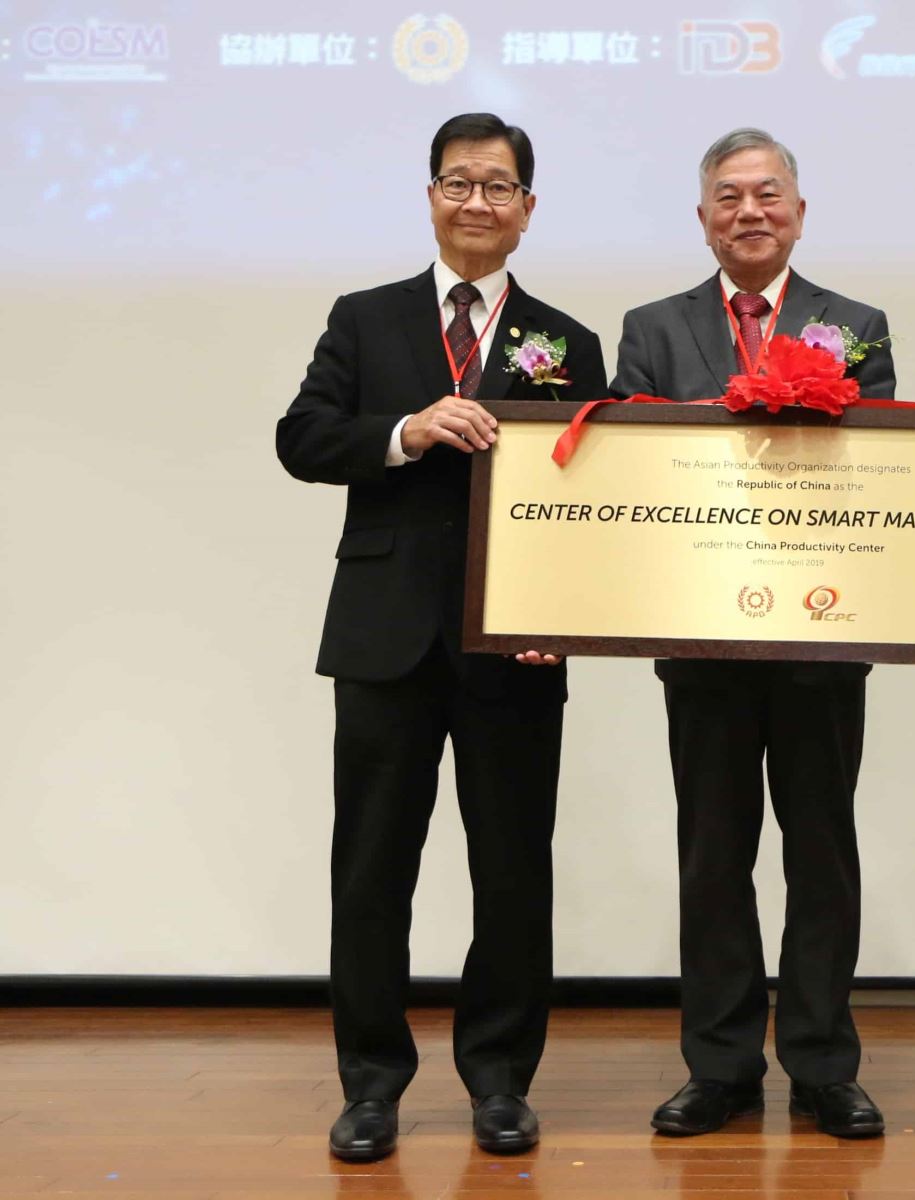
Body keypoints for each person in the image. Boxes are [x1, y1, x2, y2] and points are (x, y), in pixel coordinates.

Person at [276, 112, 607, 1162]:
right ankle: (370, 1084)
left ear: (527, 210)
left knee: (513, 869)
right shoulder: (365, 319)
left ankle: (500, 1081)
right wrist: (405, 432)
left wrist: (565, 614)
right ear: (429, 197)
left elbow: (593, 495)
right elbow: (302, 439)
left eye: (498, 186)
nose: (478, 202)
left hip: (513, 644)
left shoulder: (569, 341)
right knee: (371, 868)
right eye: (459, 182)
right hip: (383, 638)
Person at [610, 128, 894, 1139]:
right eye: (727, 197)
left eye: (767, 193)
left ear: (798, 212)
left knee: (820, 851)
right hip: (701, 638)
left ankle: (822, 1065)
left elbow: (870, 467)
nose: (748, 211)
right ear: (702, 220)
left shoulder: (854, 324)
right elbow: (635, 466)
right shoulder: (651, 326)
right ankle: (720, 1065)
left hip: (820, 634)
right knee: (713, 851)